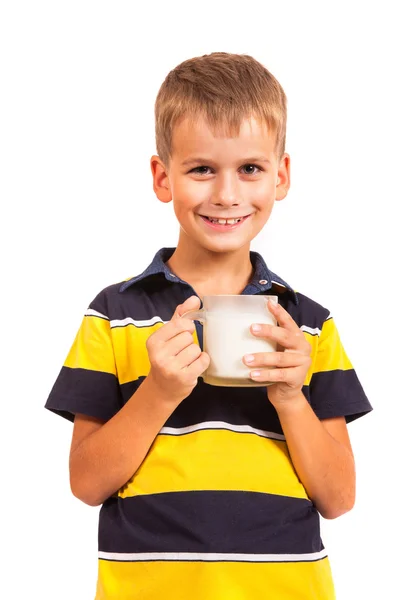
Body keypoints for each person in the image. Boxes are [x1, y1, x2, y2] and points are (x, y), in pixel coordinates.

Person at [45, 52, 372, 599]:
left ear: (281, 176)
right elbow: (86, 483)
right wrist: (159, 392)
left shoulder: (308, 326)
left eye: (250, 168)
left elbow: (339, 499)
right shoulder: (114, 313)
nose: (226, 194)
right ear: (162, 177)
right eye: (202, 169)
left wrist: (291, 397)